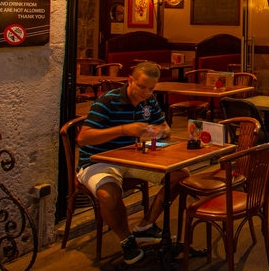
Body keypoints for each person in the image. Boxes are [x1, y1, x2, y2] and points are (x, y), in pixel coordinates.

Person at [76, 61, 187, 265]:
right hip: (97, 159)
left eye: (151, 88)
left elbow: (164, 126)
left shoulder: (149, 101)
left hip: (131, 156)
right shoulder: (107, 102)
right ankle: (127, 240)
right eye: (142, 87)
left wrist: (159, 131)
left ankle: (145, 226)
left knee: (179, 175)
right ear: (130, 80)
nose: (146, 92)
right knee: (108, 194)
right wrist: (124, 130)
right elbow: (83, 138)